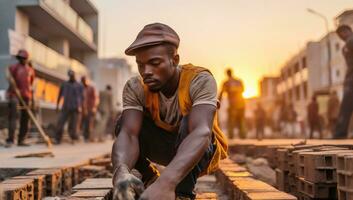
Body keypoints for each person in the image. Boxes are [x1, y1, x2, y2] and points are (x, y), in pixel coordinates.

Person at [111, 23, 228, 200]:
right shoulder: (136, 87)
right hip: (164, 147)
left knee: (192, 123)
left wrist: (166, 183)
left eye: (155, 63)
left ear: (175, 59)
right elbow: (128, 134)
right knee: (123, 123)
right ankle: (150, 179)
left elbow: (201, 132)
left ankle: (181, 193)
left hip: (197, 151)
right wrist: (121, 171)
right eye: (140, 65)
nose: (146, 72)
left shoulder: (200, 80)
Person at [6, 49, 35, 147]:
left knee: (25, 119)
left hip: (26, 96)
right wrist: (14, 89)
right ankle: (10, 139)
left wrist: (32, 99)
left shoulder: (30, 70)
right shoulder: (13, 67)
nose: (22, 60)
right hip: (15, 95)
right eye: (20, 58)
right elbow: (10, 78)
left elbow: (32, 86)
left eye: (24, 58)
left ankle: (21, 139)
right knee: (13, 117)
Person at [334, 25, 353, 139]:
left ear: (349, 31)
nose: (342, 36)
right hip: (350, 78)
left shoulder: (350, 41)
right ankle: (340, 133)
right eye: (340, 35)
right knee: (346, 107)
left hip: (351, 80)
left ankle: (339, 134)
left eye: (344, 32)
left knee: (345, 107)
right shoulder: (345, 47)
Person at [54, 70, 83, 144]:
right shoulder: (64, 84)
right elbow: (59, 95)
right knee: (60, 123)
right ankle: (57, 138)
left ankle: (73, 138)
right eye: (70, 76)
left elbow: (82, 97)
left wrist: (81, 107)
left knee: (73, 125)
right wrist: (57, 105)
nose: (71, 77)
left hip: (75, 108)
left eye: (72, 76)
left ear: (74, 75)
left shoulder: (79, 85)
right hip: (66, 107)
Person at [218, 68, 246, 139]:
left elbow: (221, 93)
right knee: (241, 121)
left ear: (227, 74)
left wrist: (218, 102)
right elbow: (243, 89)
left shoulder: (226, 83)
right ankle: (243, 137)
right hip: (241, 104)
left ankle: (231, 137)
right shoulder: (238, 81)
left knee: (231, 121)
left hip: (233, 105)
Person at [81, 76, 99, 142]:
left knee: (89, 123)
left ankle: (88, 137)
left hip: (90, 108)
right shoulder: (82, 88)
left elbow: (95, 98)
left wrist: (94, 107)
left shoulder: (91, 88)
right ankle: (85, 136)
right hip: (84, 108)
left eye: (84, 81)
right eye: (82, 81)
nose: (83, 82)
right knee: (85, 122)